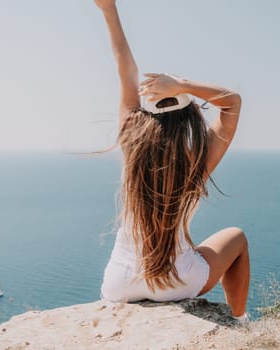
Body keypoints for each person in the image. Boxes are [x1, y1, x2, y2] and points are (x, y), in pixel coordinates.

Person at [94, 0, 249, 322]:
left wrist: (109, 10)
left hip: (120, 283)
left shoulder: (130, 148)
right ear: (189, 119)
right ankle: (238, 318)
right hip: (178, 282)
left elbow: (126, 71)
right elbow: (232, 102)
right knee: (236, 237)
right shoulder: (196, 165)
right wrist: (182, 86)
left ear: (143, 119)